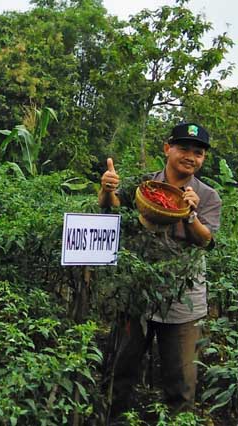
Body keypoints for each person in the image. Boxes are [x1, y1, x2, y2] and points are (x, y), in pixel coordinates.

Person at [99, 122, 222, 416]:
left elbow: (207, 241)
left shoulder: (208, 197)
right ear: (167, 148)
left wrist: (191, 216)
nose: (191, 156)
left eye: (199, 152)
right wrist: (107, 190)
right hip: (136, 297)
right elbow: (112, 209)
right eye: (184, 148)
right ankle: (114, 419)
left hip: (183, 302)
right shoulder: (144, 185)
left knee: (180, 383)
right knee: (120, 371)